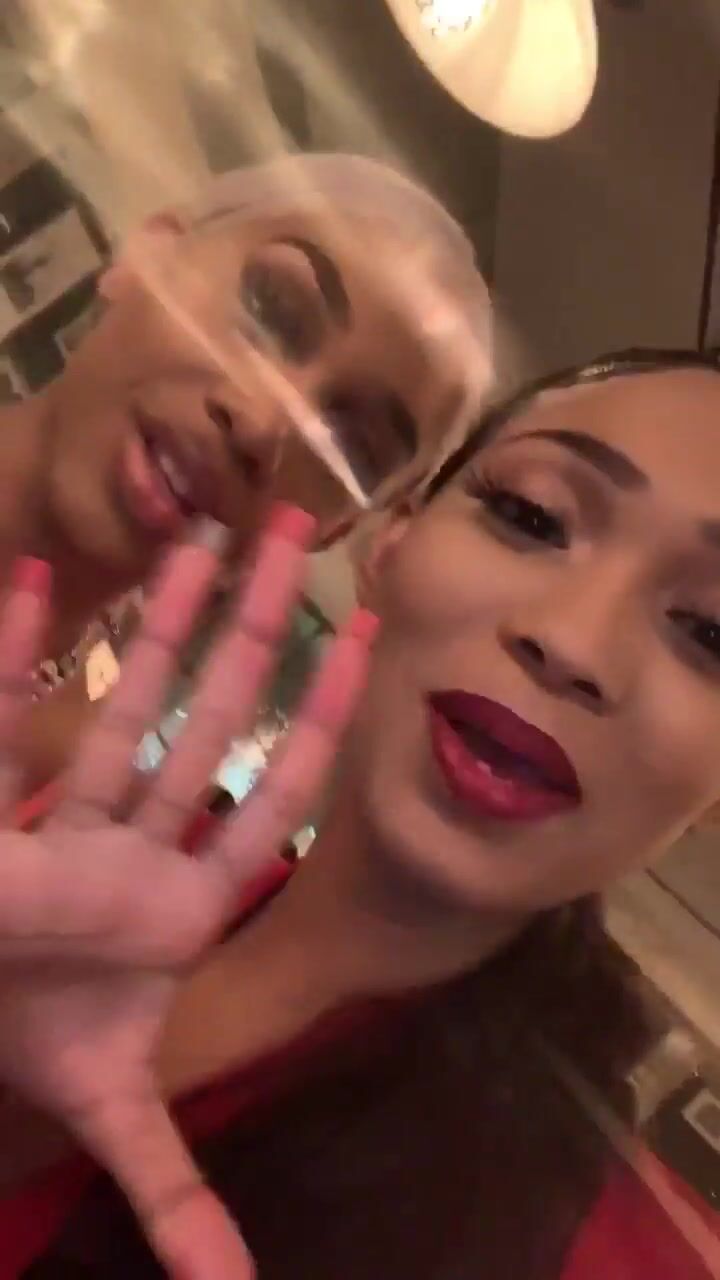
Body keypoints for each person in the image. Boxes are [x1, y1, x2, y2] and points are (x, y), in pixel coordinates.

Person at [6, 347, 720, 1278]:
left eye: (710, 631)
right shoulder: (76, 870)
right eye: (531, 515)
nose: (572, 642)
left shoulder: (602, 1251)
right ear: (391, 544)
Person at [3, 150, 488, 788]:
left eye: (353, 446)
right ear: (148, 254)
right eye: (268, 310)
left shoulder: (74, 773)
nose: (261, 423)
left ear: (336, 527)